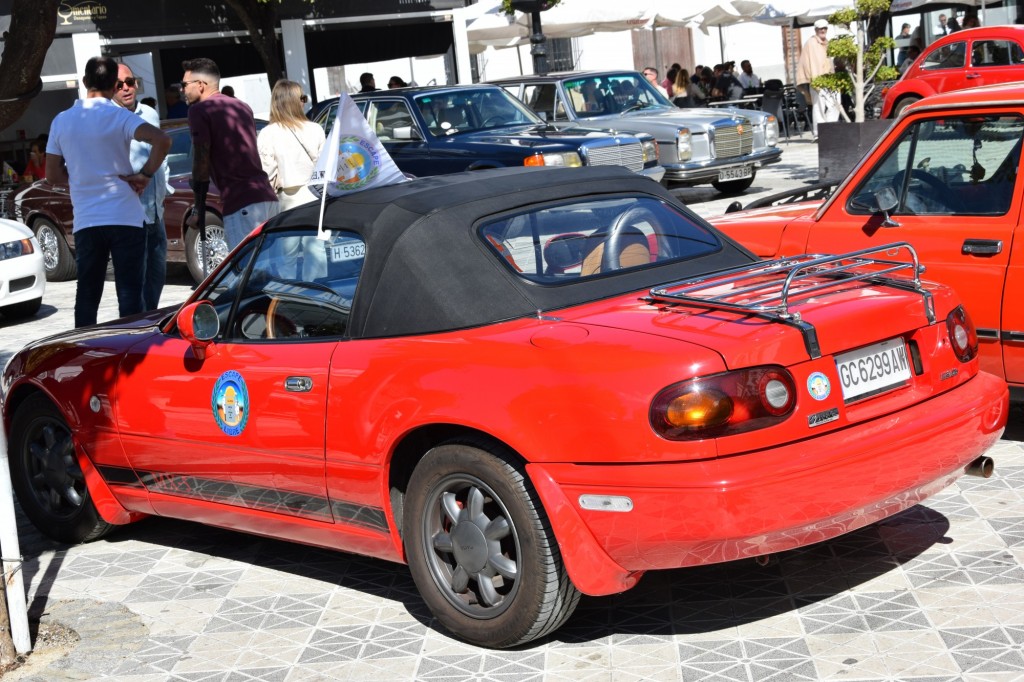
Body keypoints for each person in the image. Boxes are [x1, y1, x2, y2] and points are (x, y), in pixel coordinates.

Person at [45, 56, 171, 328]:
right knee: (130, 296)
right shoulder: (121, 116)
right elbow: (162, 140)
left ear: (84, 82)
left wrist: (80, 178)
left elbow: (52, 174)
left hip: (87, 220)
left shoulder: (61, 120)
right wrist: (145, 175)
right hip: (126, 215)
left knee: (87, 296)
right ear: (114, 85)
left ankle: (83, 348)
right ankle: (132, 346)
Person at [182, 57, 278, 250]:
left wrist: (198, 209)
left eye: (184, 84)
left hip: (241, 202)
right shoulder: (241, 106)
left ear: (200, 85)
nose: (182, 90)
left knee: (245, 265)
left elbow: (201, 160)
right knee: (272, 263)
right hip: (267, 197)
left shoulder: (199, 110)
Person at [113, 62, 169, 311]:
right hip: (130, 216)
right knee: (134, 285)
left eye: (129, 82)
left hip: (156, 211)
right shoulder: (109, 119)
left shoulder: (149, 113)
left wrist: (164, 190)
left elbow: (162, 156)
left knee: (156, 277)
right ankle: (134, 328)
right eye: (119, 85)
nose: (126, 88)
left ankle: (150, 322)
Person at [257, 79, 325, 211]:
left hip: (284, 203)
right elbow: (324, 167)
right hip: (316, 198)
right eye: (302, 98)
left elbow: (267, 173)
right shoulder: (316, 129)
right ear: (294, 102)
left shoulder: (268, 133)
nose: (304, 102)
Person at [797, 19, 840, 141]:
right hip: (817, 81)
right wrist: (812, 79)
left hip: (830, 80)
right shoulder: (810, 43)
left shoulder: (828, 43)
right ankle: (819, 134)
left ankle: (830, 129)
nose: (823, 30)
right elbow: (805, 63)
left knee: (835, 104)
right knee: (818, 107)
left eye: (825, 28)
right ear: (816, 30)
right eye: (821, 28)